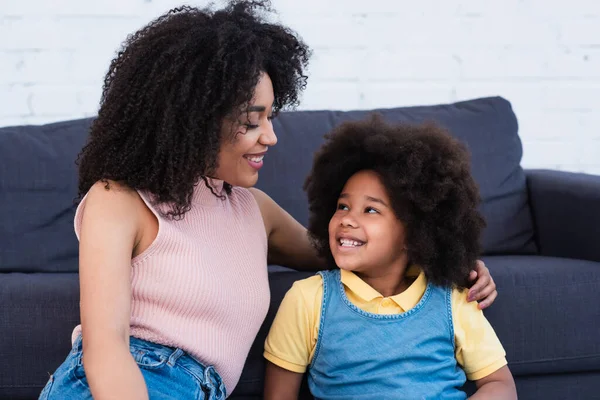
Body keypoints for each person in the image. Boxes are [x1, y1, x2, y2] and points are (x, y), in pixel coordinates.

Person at [39, 1, 498, 399]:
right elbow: (107, 349)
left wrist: (450, 259)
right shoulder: (117, 200)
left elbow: (349, 249)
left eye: (272, 117)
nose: (272, 137)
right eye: (252, 121)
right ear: (193, 120)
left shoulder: (252, 209)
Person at [263, 116, 516, 399]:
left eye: (370, 210)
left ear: (413, 232)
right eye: (342, 206)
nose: (347, 219)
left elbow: (500, 385)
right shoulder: (308, 299)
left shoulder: (453, 298)